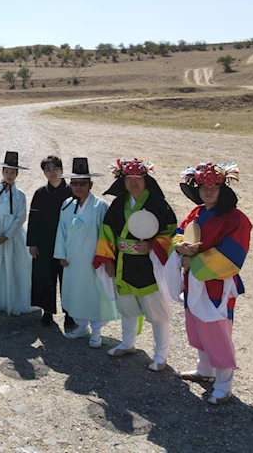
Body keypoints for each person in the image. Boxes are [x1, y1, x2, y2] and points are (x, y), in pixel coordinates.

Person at [172, 162, 250, 404]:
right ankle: (205, 370)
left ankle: (224, 383)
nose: (207, 191)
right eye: (203, 187)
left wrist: (191, 260)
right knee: (197, 326)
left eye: (213, 187)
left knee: (217, 331)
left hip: (216, 283)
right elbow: (179, 232)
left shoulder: (236, 219)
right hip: (194, 282)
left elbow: (233, 255)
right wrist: (179, 246)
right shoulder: (196, 212)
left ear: (222, 188)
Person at [94, 158, 177, 371]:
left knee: (157, 312)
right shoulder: (118, 203)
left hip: (149, 264)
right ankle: (128, 343)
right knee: (127, 307)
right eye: (128, 179)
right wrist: (109, 259)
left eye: (138, 179)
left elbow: (170, 231)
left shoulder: (158, 203)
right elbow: (107, 231)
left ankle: (160, 356)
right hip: (123, 262)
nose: (133, 183)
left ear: (145, 180)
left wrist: (152, 245)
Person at [53, 158, 117, 347]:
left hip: (92, 259)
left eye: (82, 183)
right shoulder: (66, 205)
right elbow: (61, 231)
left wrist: (105, 258)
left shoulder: (100, 207)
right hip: (73, 259)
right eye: (74, 183)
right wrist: (61, 254)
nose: (78, 187)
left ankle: (96, 330)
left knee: (94, 293)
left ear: (91, 184)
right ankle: (81, 326)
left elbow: (107, 235)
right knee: (76, 291)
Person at [28, 155, 75, 329]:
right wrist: (32, 243)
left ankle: (69, 312)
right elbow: (33, 219)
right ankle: (47, 311)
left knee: (66, 277)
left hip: (66, 242)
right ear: (44, 173)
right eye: (48, 170)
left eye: (55, 169)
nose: (52, 173)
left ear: (62, 170)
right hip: (44, 242)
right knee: (45, 277)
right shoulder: (40, 193)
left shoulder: (71, 192)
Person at [0, 151, 31, 316]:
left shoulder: (20, 194)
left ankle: (13, 300)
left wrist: (7, 235)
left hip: (12, 235)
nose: (9, 175)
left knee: (13, 266)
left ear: (17, 174)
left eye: (13, 172)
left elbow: (21, 217)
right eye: (7, 171)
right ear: (2, 172)